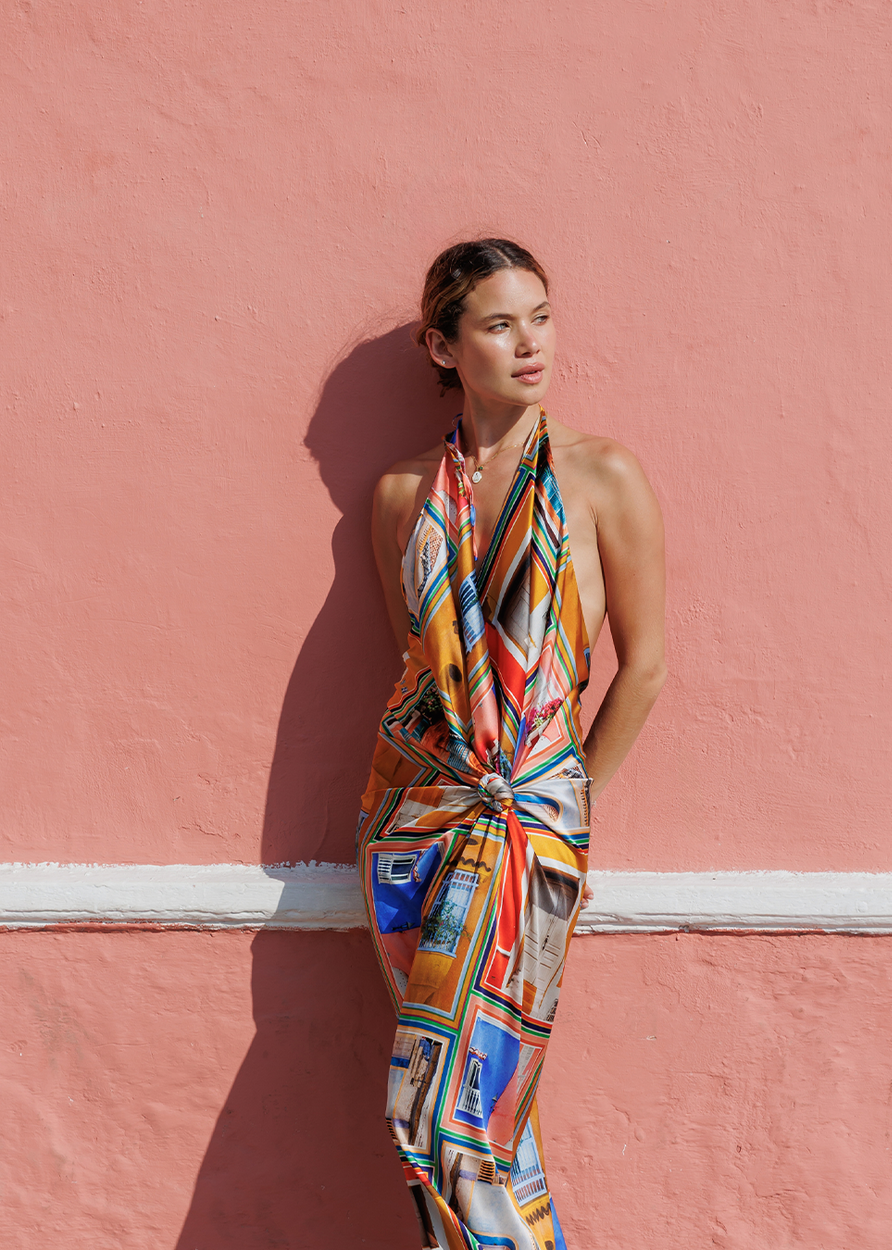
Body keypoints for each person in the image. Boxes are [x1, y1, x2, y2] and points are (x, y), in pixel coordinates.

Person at [357, 238, 666, 1250]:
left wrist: (568, 799)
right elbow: (429, 672)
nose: (530, 342)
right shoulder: (402, 495)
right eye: (498, 323)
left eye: (539, 314)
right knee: (475, 1118)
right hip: (412, 824)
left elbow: (645, 663)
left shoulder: (602, 475)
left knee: (447, 1110)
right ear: (441, 346)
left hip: (533, 828)